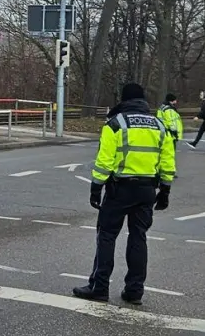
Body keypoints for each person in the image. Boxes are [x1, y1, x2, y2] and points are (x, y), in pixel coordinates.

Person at [74, 82, 177, 305]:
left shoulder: (116, 123)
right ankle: (135, 290)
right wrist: (166, 190)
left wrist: (96, 187)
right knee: (139, 237)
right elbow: (167, 161)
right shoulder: (159, 126)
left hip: (119, 189)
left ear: (123, 100)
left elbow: (104, 160)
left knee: (107, 236)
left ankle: (99, 287)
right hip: (147, 190)